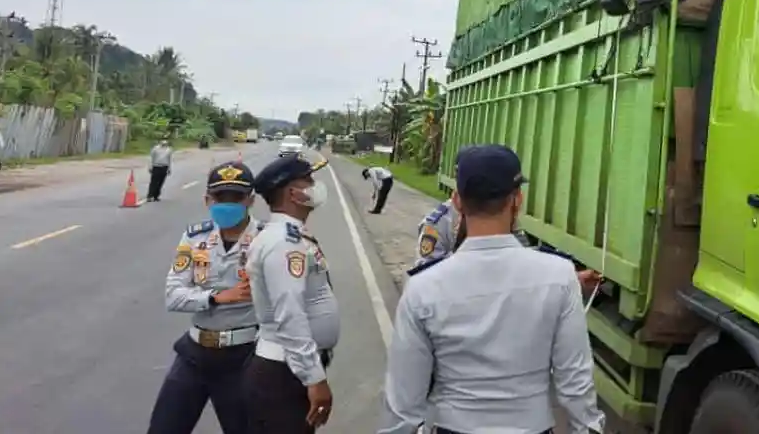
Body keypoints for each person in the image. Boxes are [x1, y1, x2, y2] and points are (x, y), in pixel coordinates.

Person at [379, 144, 605, 434]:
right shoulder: (559, 276)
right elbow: (575, 380)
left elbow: (403, 402)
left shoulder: (423, 289)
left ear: (458, 201)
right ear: (517, 199)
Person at [146, 161, 263, 434]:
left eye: (236, 197)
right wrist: (217, 297)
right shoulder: (194, 238)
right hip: (195, 354)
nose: (227, 204)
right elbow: (173, 295)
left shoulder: (266, 240)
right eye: (220, 197)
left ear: (251, 200)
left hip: (244, 356)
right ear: (207, 200)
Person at [244, 154, 340, 433]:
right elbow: (290, 314)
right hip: (283, 372)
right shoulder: (284, 243)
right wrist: (314, 378)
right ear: (293, 194)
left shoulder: (291, 235)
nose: (315, 186)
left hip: (288, 367)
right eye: (308, 181)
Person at [415, 179, 603, 298]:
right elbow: (426, 280)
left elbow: (521, 266)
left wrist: (570, 280)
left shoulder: (506, 220)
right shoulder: (440, 224)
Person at [147, 137, 174, 202]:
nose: (164, 142)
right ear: (160, 141)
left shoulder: (169, 150)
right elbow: (151, 158)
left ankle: (156, 196)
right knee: (154, 182)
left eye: (165, 141)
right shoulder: (155, 149)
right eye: (163, 141)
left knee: (160, 182)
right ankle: (150, 196)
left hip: (164, 167)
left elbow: (169, 159)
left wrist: (169, 169)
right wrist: (150, 167)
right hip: (156, 166)